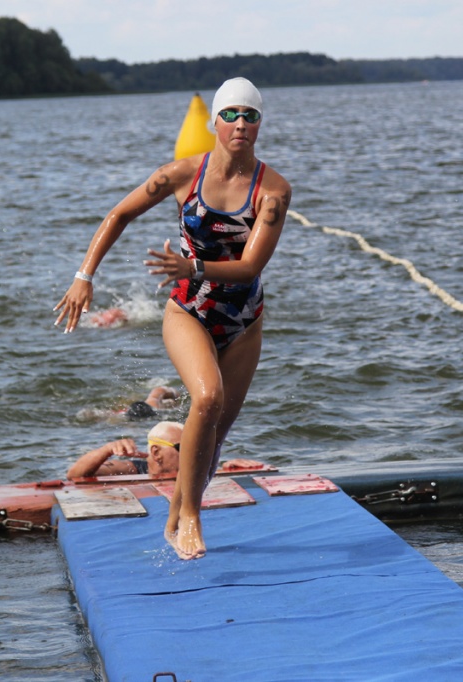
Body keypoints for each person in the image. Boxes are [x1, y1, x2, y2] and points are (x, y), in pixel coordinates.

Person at [54, 77, 291, 560]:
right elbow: (119, 214)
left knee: (215, 435)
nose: (240, 124)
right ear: (214, 122)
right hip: (189, 311)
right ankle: (192, 518)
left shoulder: (273, 191)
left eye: (249, 116)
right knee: (207, 398)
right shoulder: (182, 175)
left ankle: (176, 514)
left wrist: (193, 266)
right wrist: (83, 276)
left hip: (244, 321)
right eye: (230, 115)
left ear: (259, 125)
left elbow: (250, 267)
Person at [66, 420, 265, 478]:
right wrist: (106, 450)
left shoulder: (196, 470)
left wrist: (228, 470)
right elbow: (75, 475)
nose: (193, 455)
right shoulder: (133, 470)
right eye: (183, 448)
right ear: (156, 453)